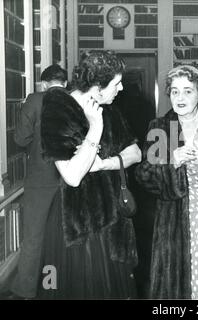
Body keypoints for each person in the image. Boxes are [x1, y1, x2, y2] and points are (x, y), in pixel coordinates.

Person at [37, 50, 142, 299]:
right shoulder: (58, 109)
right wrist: (95, 129)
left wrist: (104, 164)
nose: (121, 88)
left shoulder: (109, 107)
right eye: (116, 83)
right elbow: (72, 175)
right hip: (77, 223)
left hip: (111, 219)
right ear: (97, 86)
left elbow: (136, 152)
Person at [135, 65, 198, 299]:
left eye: (188, 91)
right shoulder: (160, 128)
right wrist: (171, 160)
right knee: (178, 288)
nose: (180, 98)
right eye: (174, 91)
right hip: (175, 220)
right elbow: (143, 175)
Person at [9, 65, 68, 299]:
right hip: (71, 176)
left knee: (33, 237)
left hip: (40, 178)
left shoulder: (35, 100)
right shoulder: (75, 100)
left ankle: (25, 291)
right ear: (65, 83)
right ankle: (60, 287)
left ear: (44, 84)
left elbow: (21, 139)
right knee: (64, 235)